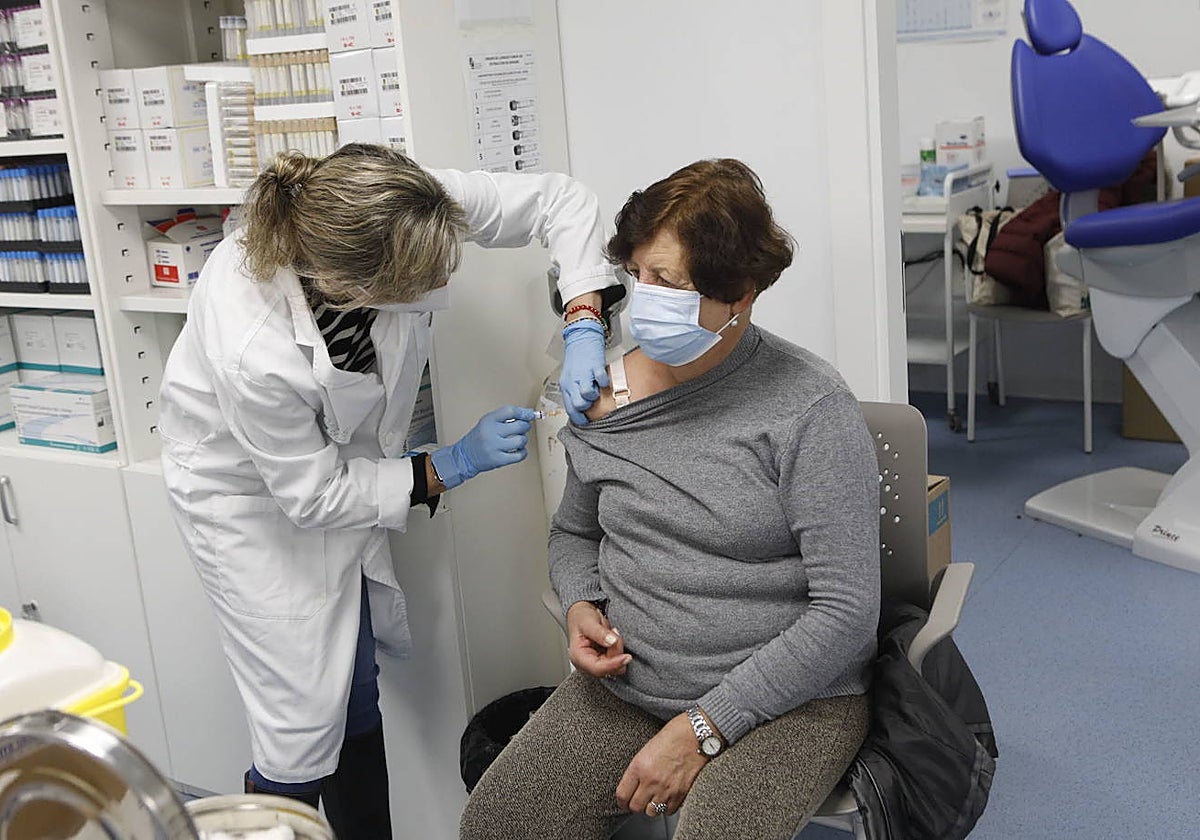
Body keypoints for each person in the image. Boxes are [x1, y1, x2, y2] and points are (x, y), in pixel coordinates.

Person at [158, 143, 623, 838]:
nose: (439, 287)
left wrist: (584, 320)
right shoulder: (253, 342)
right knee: (299, 722)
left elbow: (562, 198)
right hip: (250, 501)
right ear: (352, 287)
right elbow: (311, 496)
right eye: (420, 285)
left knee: (356, 688)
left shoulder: (403, 202)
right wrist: (448, 466)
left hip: (344, 471)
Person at [459, 159, 882, 840]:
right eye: (638, 275)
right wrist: (578, 602)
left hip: (791, 698)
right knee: (499, 825)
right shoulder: (603, 396)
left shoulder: (808, 408)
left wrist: (704, 728)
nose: (645, 296)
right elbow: (575, 534)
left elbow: (848, 613)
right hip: (634, 681)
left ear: (739, 293)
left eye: (670, 282)